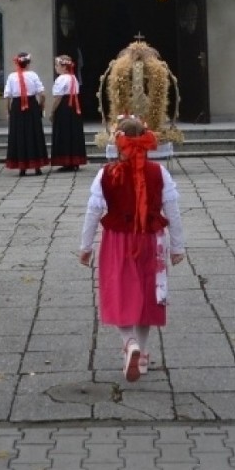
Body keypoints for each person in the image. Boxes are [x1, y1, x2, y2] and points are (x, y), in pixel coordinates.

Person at [78, 115, 185, 381]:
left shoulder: (107, 173)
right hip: (151, 240)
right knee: (147, 294)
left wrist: (86, 245)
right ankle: (144, 351)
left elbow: (93, 211)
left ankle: (129, 342)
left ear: (119, 143)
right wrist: (177, 246)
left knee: (119, 291)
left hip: (117, 240)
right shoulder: (159, 172)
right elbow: (173, 210)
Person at [4, 51, 48, 177]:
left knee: (19, 134)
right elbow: (42, 93)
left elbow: (7, 96)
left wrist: (8, 111)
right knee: (34, 133)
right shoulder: (33, 75)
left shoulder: (12, 77)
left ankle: (21, 167)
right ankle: (37, 166)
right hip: (32, 105)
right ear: (28, 64)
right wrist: (41, 105)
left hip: (17, 107)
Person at [49, 54, 87, 172]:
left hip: (64, 108)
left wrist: (52, 111)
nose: (56, 67)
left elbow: (58, 97)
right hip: (74, 108)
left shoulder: (61, 79)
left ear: (64, 67)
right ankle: (74, 161)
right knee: (73, 132)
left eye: (57, 65)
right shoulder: (73, 78)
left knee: (64, 132)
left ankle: (65, 160)